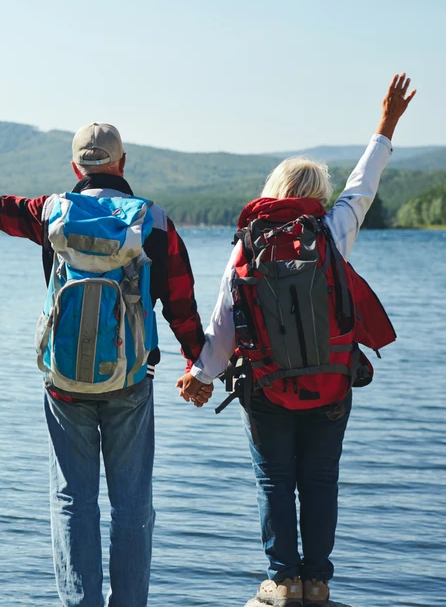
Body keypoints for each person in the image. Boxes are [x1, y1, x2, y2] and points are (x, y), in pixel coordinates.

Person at [0, 124, 207, 607]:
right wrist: (199, 363)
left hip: (64, 382)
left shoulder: (51, 211)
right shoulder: (154, 222)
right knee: (132, 504)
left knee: (73, 501)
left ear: (76, 167)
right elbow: (181, 303)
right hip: (130, 381)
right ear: (122, 162)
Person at [176, 74, 416, 607]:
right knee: (321, 481)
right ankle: (318, 583)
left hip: (266, 387)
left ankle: (283, 582)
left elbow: (224, 321)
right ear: (319, 198)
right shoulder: (331, 231)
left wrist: (199, 375)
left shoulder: (248, 244)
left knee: (275, 481)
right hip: (331, 383)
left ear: (274, 191)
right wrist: (386, 124)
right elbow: (363, 185)